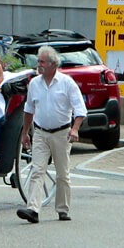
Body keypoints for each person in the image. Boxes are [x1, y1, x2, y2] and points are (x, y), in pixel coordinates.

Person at [16, 45, 87, 224]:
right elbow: (29, 110)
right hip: (40, 132)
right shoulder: (34, 84)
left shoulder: (67, 83)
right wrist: (25, 133)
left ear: (53, 64)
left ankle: (63, 209)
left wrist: (75, 128)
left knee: (62, 174)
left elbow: (80, 109)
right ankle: (33, 209)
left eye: (42, 62)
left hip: (62, 133)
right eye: (38, 61)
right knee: (37, 170)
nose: (38, 65)